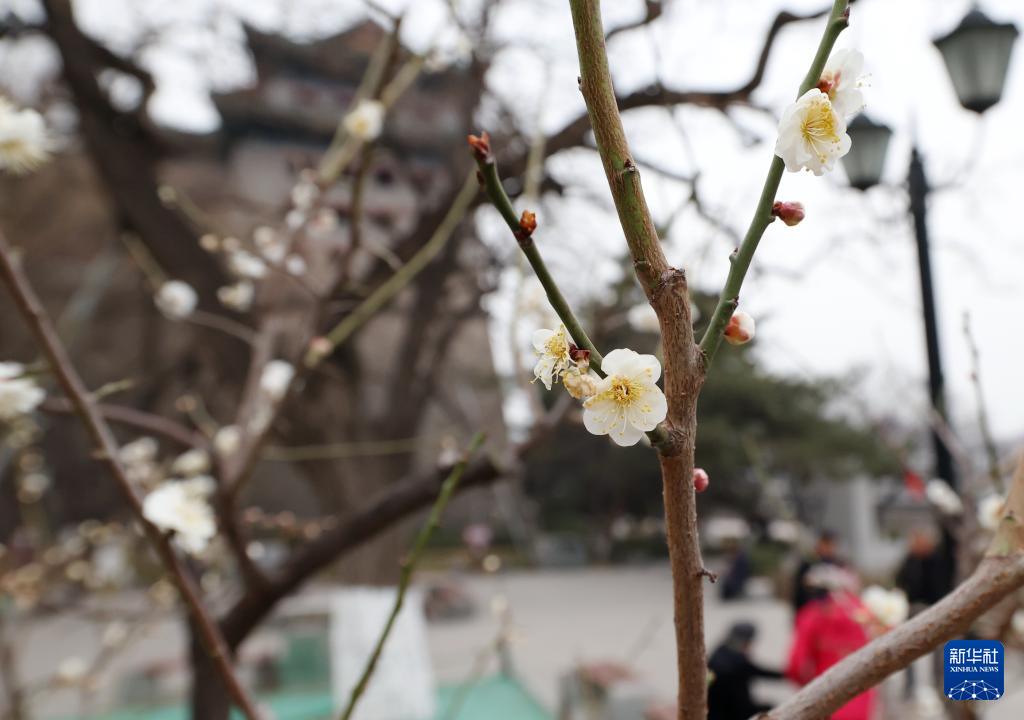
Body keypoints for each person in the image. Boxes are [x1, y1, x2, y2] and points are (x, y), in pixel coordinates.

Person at [786, 564, 877, 720]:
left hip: (825, 699)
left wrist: (808, 689)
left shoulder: (811, 615)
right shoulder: (864, 613)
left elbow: (794, 666)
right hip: (861, 697)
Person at [707, 622, 783, 720]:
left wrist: (785, 674)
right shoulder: (738, 664)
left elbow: (754, 670)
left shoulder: (719, 652)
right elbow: (742, 707)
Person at [791, 530, 841, 616]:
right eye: (826, 544)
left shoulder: (837, 564)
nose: (829, 549)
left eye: (832, 545)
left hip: (832, 611)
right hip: (811, 610)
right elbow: (801, 590)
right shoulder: (808, 563)